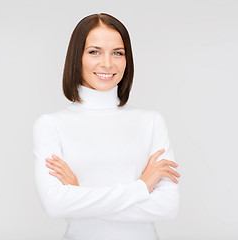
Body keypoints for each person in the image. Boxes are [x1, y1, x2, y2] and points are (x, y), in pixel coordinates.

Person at [33, 12, 181, 240]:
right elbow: (55, 205)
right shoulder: (51, 125)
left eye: (117, 53)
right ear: (77, 57)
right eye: (94, 52)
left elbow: (168, 207)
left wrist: (80, 196)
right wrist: (142, 187)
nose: (107, 63)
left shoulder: (151, 122)